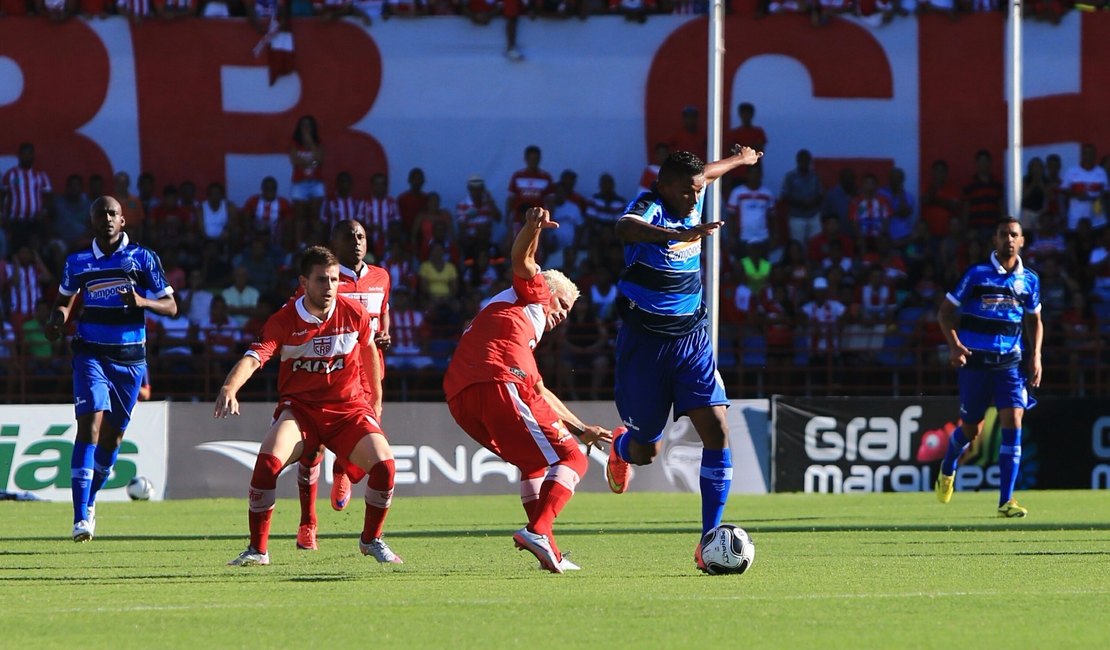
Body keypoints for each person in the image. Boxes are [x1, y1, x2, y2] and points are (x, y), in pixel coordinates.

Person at [605, 145, 762, 573]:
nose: (695, 199)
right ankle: (619, 447)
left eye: (698, 191)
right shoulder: (649, 207)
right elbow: (625, 228)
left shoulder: (696, 187)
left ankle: (707, 539)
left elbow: (709, 173)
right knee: (646, 451)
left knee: (717, 430)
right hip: (645, 347)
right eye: (688, 192)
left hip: (692, 339)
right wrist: (675, 236)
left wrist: (740, 162)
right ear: (666, 186)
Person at [443, 207, 612, 574]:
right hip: (500, 379)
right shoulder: (533, 295)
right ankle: (538, 530)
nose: (564, 314)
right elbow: (522, 258)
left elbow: (540, 391)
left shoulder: (516, 326)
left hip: (461, 396)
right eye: (563, 304)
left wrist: (581, 428)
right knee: (573, 460)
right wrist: (531, 227)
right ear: (547, 292)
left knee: (534, 463)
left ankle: (546, 546)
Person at [215, 245, 401, 567]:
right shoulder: (285, 320)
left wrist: (376, 397)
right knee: (267, 462)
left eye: (332, 279)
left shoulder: (353, 312)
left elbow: (369, 349)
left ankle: (371, 540)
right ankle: (258, 551)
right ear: (303, 282)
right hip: (300, 411)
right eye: (320, 280)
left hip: (347, 411)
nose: (328, 287)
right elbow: (255, 357)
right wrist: (231, 386)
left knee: (385, 466)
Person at [44, 196, 177, 543]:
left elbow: (172, 305)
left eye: (113, 213)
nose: (107, 217)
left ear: (123, 221)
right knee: (89, 425)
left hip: (131, 361)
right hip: (90, 353)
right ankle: (79, 518)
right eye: (100, 213)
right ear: (92, 221)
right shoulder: (78, 261)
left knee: (113, 437)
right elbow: (63, 300)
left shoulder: (143, 258)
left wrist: (144, 301)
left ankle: (90, 502)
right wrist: (56, 320)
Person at [293, 220, 392, 551]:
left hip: (369, 370)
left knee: (369, 442)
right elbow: (302, 316)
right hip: (331, 372)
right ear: (333, 242)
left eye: (361, 235)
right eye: (349, 236)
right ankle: (308, 522)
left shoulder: (382, 276)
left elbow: (382, 312)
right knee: (313, 446)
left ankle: (345, 471)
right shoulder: (327, 281)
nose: (357, 241)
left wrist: (384, 333)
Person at [934, 217, 1043, 518]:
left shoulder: (1029, 279)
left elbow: (1035, 319)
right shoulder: (977, 275)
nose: (1009, 239)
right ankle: (948, 465)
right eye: (1004, 234)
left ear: (1022, 241)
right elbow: (944, 313)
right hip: (976, 361)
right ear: (994, 240)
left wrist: (1036, 356)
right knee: (972, 430)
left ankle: (1005, 501)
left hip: (1011, 361)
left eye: (1014, 235)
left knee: (1013, 420)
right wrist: (954, 345)